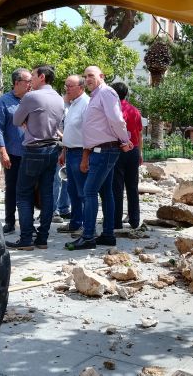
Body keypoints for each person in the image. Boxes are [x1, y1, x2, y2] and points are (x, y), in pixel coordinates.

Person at [65, 66, 132, 251]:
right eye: (86, 76)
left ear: (102, 76)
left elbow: (117, 119)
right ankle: (108, 234)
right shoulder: (96, 95)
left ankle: (88, 237)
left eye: (91, 76)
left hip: (105, 150)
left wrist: (125, 140)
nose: (87, 79)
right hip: (100, 149)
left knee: (88, 192)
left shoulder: (106, 93)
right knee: (105, 192)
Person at [6, 65, 64, 251]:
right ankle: (42, 238)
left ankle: (26, 239)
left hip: (34, 150)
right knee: (47, 194)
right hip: (52, 148)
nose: (30, 80)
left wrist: (28, 122)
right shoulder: (59, 98)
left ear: (42, 77)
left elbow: (16, 121)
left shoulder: (32, 96)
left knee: (23, 194)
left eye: (33, 76)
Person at [0, 68, 31, 234]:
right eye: (27, 81)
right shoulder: (3, 101)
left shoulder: (32, 100)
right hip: (13, 154)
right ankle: (10, 222)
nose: (31, 84)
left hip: (32, 153)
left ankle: (27, 224)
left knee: (29, 189)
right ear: (17, 83)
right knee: (11, 189)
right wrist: (3, 152)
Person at [56, 74, 90, 235]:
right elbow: (69, 129)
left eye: (70, 86)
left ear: (80, 87)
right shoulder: (73, 104)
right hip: (70, 152)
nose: (66, 89)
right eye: (66, 85)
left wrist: (85, 157)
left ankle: (85, 225)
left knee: (83, 192)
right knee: (72, 190)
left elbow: (89, 134)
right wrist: (64, 151)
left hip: (81, 153)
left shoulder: (86, 104)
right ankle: (75, 222)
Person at [110, 82, 143, 230]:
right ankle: (135, 220)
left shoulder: (113, 110)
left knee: (116, 187)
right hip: (134, 150)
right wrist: (140, 153)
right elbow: (140, 133)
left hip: (118, 150)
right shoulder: (135, 110)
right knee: (132, 186)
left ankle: (116, 221)